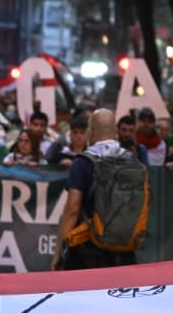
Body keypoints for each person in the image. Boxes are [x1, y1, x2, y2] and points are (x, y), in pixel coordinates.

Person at [53, 109, 145, 271]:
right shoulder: (133, 160)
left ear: (91, 131)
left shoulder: (84, 162)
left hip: (87, 251)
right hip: (125, 250)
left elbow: (72, 210)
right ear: (116, 131)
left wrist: (59, 253)